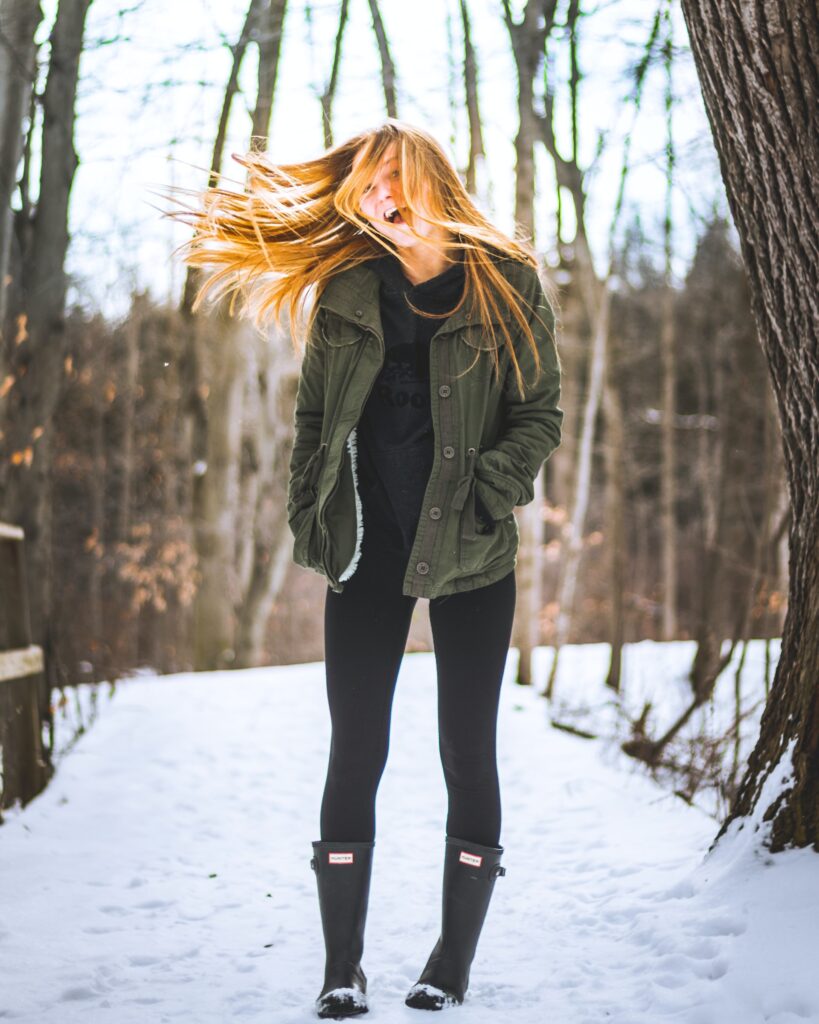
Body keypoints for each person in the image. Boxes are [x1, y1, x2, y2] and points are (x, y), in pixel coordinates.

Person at [165, 118, 563, 1019]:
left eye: (392, 176)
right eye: (365, 184)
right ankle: (340, 969)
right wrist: (312, 515)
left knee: (466, 748)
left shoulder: (507, 287)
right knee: (357, 748)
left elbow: (539, 414)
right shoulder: (346, 291)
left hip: (470, 549)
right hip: (366, 550)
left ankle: (449, 964)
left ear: (428, 175)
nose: (381, 195)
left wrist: (489, 491)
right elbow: (313, 422)